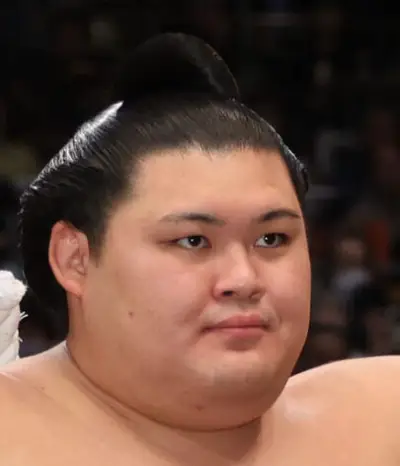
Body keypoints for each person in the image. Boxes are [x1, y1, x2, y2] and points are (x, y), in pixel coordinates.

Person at [0, 33, 399, 465]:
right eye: (193, 241)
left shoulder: (385, 418)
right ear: (75, 259)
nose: (244, 279)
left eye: (272, 239)